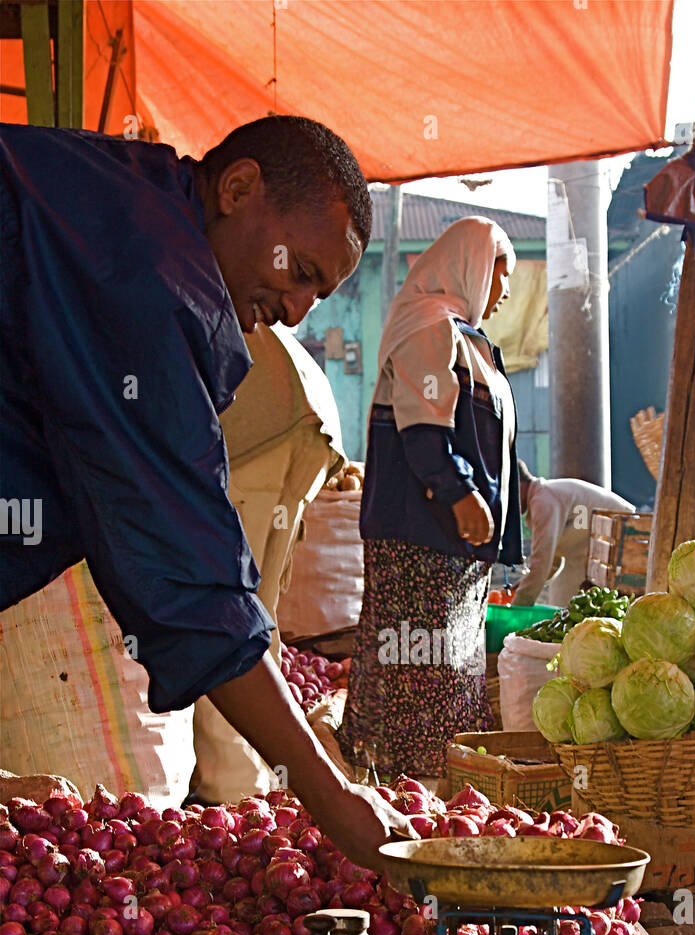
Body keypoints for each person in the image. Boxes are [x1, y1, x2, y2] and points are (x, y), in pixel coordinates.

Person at [0, 115, 412, 869]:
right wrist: (336, 803)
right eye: (303, 273)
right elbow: (189, 580)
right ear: (238, 188)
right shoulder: (150, 279)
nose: (296, 311)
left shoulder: (121, 199)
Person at [339, 216, 523, 779]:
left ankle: (432, 783)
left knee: (440, 663)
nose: (506, 290)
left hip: (452, 545)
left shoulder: (468, 341)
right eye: (501, 272)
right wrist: (461, 495)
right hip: (421, 535)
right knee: (416, 660)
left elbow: (486, 439)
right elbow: (423, 427)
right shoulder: (430, 328)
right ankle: (407, 783)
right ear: (469, 262)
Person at [189, 321, 347, 805]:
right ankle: (255, 788)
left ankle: (231, 794)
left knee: (226, 614)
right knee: (258, 613)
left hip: (263, 434)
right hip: (309, 422)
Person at [511, 461, 635, 607]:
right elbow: (552, 561)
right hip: (603, 551)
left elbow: (542, 559)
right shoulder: (543, 497)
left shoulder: (543, 500)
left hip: (626, 537)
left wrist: (517, 606)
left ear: (516, 484)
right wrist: (524, 585)